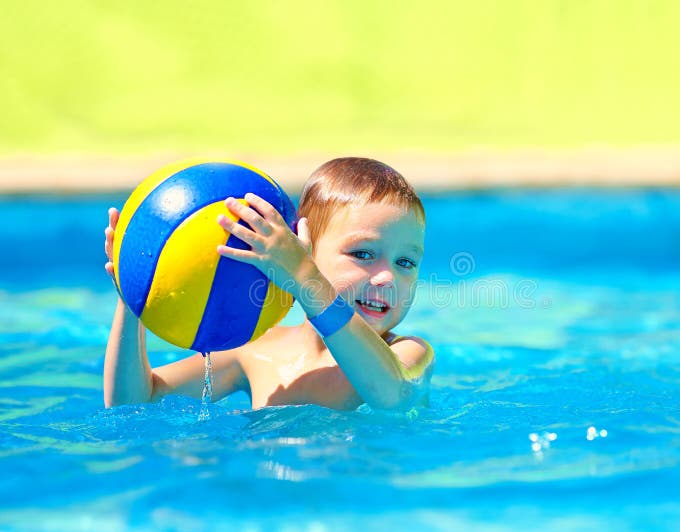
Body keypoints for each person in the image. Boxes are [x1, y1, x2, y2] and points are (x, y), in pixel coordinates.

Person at [103, 157, 433, 411]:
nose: (387, 277)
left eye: (405, 262)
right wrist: (133, 292)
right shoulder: (257, 348)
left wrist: (307, 280)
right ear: (304, 249)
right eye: (363, 253)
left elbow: (391, 395)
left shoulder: (407, 353)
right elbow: (134, 405)